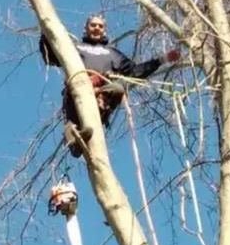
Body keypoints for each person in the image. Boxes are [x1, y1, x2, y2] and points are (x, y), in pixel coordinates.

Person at [40, 14, 180, 156]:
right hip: (77, 91)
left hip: (101, 92)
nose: (96, 28)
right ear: (86, 28)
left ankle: (100, 105)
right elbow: (51, 56)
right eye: (93, 25)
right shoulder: (75, 48)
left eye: (100, 26)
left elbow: (135, 71)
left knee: (118, 87)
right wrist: (45, 31)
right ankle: (76, 140)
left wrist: (161, 60)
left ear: (104, 30)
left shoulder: (113, 54)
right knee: (74, 126)